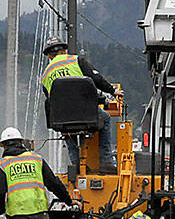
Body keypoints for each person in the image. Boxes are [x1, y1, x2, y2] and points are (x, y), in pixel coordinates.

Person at [40, 37, 120, 172]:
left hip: (63, 119)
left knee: (66, 129)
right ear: (64, 50)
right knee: (105, 118)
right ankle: (106, 162)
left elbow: (52, 100)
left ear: (49, 55)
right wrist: (113, 91)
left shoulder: (45, 76)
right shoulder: (76, 61)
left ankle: (77, 164)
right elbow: (96, 79)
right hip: (87, 115)